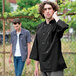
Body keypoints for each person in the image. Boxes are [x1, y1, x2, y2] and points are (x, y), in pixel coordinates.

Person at [30, 1, 69, 76]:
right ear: (42, 12)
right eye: (45, 9)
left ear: (54, 11)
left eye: (49, 9)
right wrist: (36, 67)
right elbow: (36, 48)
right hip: (43, 66)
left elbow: (64, 26)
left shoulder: (57, 25)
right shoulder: (39, 27)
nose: (47, 11)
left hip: (55, 66)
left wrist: (56, 17)